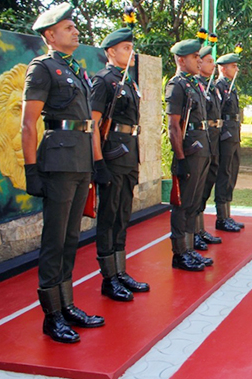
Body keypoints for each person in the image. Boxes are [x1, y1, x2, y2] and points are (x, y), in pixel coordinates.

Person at [22, 1, 107, 343]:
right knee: (54, 240)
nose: (75, 30)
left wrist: (96, 162)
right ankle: (51, 315)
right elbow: (29, 124)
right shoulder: (42, 68)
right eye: (67, 27)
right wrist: (32, 170)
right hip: (57, 163)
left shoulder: (75, 68)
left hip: (80, 160)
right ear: (50, 35)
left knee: (71, 237)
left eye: (73, 25)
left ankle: (67, 305)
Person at [90, 27, 149, 301]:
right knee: (109, 214)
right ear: (111, 52)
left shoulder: (129, 81)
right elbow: (93, 125)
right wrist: (98, 162)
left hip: (129, 152)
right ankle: (108, 278)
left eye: (132, 47)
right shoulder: (103, 81)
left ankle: (120, 271)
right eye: (126, 48)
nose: (132, 52)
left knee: (124, 212)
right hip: (112, 153)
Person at [165, 39, 213, 271]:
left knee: (193, 202)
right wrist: (181, 158)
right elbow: (174, 126)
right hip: (190, 150)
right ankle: (179, 253)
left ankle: (189, 249)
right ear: (181, 60)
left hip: (201, 147)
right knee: (182, 204)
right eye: (195, 57)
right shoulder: (176, 86)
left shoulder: (193, 85)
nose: (199, 60)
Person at [194, 40, 224, 249]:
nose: (212, 65)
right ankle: (193, 232)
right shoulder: (196, 85)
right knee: (198, 186)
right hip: (202, 137)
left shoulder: (211, 86)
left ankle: (199, 228)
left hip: (213, 137)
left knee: (209, 181)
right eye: (209, 61)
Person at [213, 52, 246, 232]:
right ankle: (221, 217)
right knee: (224, 173)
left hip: (234, 133)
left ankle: (227, 214)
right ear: (223, 68)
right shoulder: (219, 86)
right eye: (233, 66)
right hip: (225, 135)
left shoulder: (231, 87)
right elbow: (218, 112)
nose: (236, 69)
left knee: (232, 172)